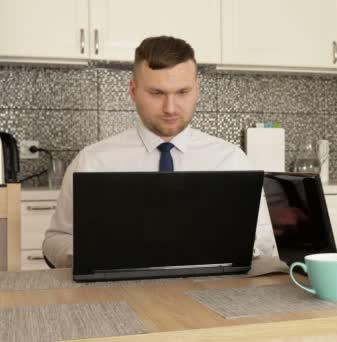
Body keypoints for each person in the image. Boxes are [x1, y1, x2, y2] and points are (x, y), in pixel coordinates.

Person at [42, 36, 276, 268]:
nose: (170, 108)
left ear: (197, 90)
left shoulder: (231, 161)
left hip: (212, 294)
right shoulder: (92, 161)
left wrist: (231, 248)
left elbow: (265, 241)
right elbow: (55, 240)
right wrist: (90, 255)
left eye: (182, 92)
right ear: (133, 91)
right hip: (118, 296)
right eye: (156, 93)